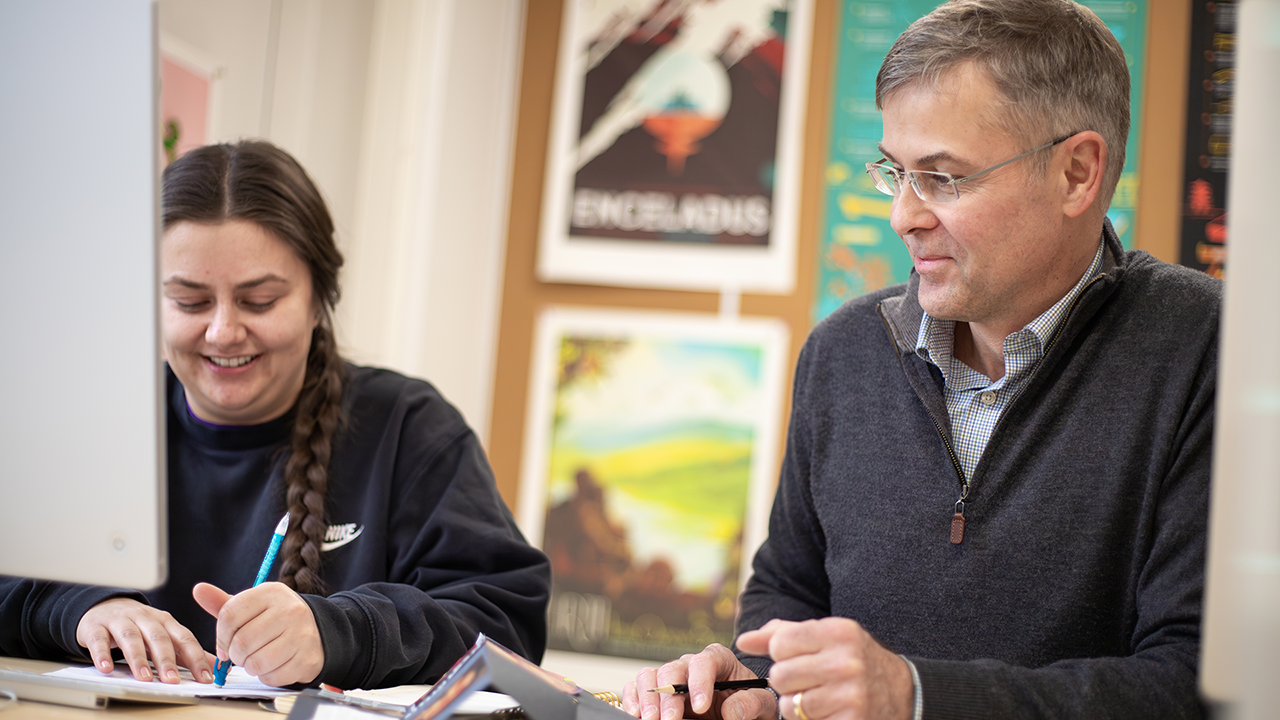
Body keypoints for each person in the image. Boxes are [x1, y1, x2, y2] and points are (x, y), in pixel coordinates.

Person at [622, 1, 1219, 718]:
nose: (904, 214)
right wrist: (749, 683)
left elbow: (1193, 685)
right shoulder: (843, 353)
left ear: (1077, 172)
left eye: (943, 177)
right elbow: (787, 600)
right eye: (894, 172)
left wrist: (917, 697)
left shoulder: (1209, 350)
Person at [0, 140, 551, 690]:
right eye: (190, 302)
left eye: (259, 300)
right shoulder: (90, 421)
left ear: (318, 299)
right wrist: (77, 609)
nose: (222, 331)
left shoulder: (408, 428)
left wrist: (339, 632)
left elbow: (505, 628)